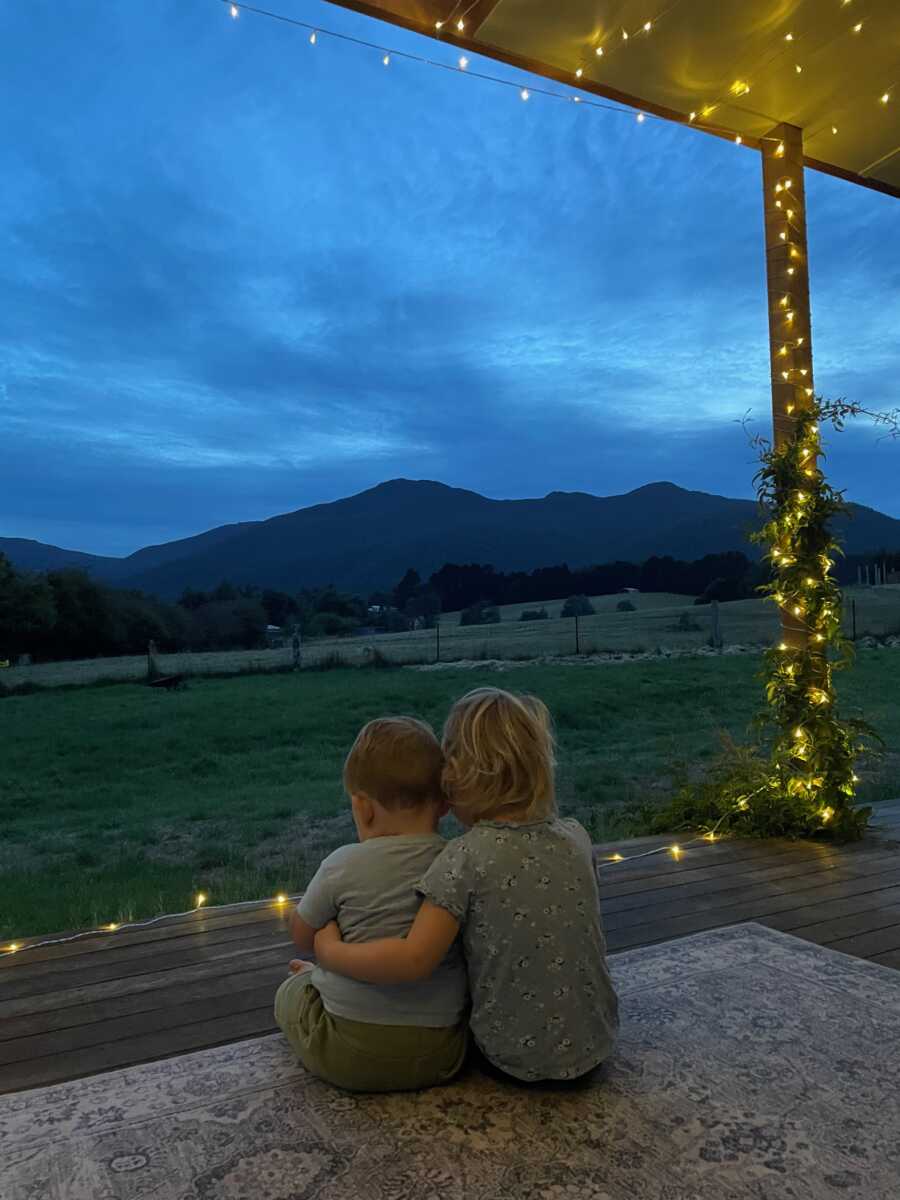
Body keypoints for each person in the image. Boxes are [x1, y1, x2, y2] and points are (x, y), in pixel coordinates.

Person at [315, 687, 619, 1084]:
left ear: (462, 777)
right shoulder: (577, 836)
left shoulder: (465, 857)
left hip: (513, 1060)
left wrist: (330, 954)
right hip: (597, 1045)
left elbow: (412, 960)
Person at [275, 716, 468, 1092]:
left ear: (363, 808)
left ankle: (305, 980)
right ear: (444, 804)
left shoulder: (341, 864)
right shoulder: (456, 861)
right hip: (443, 1052)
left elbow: (300, 934)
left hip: (348, 1051)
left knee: (288, 997)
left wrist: (326, 929)